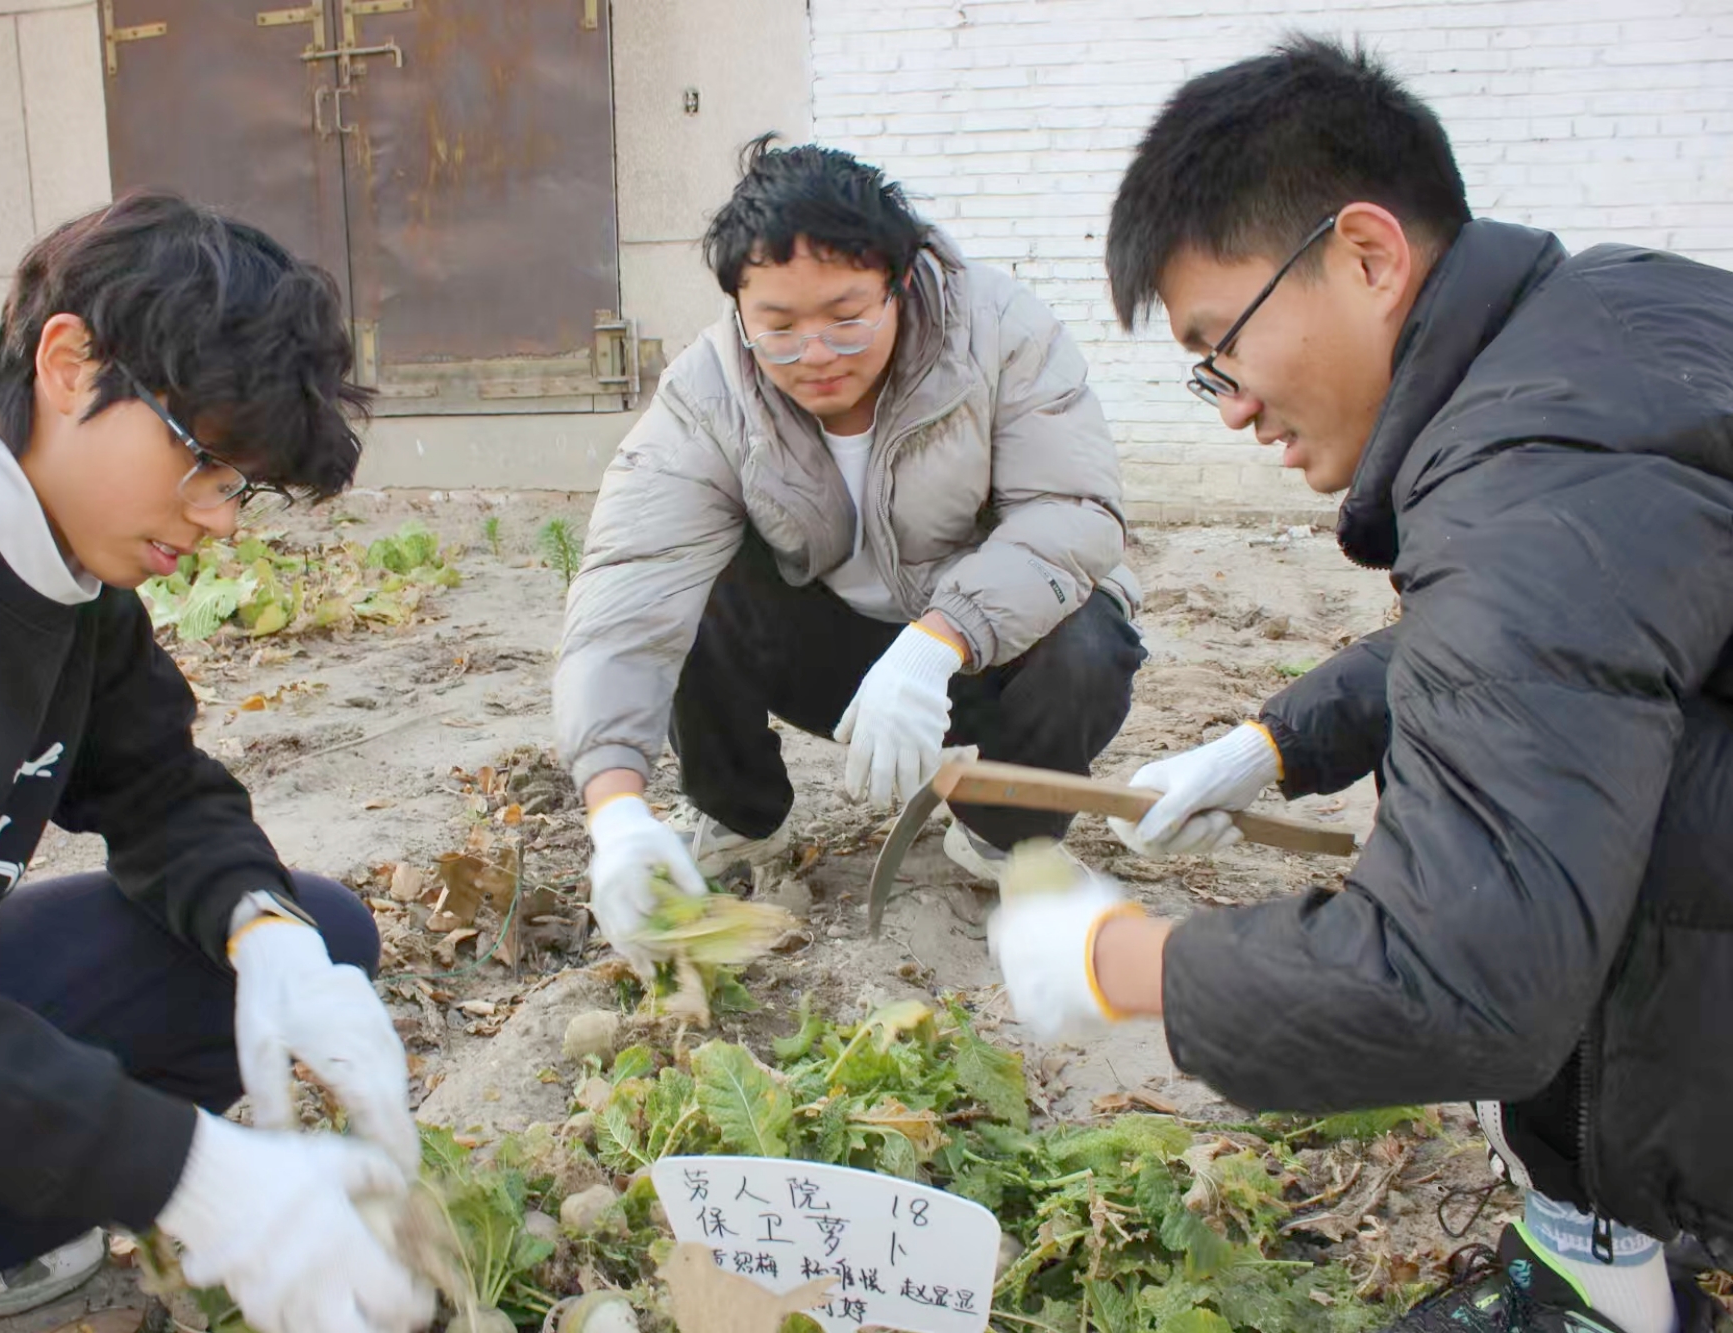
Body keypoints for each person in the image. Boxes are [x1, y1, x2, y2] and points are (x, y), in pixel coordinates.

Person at [987, 36, 1733, 1333]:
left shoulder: (1531, 465)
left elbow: (1467, 975)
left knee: (1567, 829)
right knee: (1566, 755)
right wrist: (1274, 745)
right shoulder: (1610, 329)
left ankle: (1602, 1291)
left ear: (1370, 256)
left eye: (1224, 345)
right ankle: (1606, 1252)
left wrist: (1127, 961)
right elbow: (1572, 638)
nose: (1227, 406)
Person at [0, 193, 433, 1333]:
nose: (219, 518)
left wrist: (268, 936)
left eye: (241, 487)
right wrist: (183, 1171)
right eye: (206, 460)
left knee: (309, 939)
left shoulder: (66, 560)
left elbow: (162, 788)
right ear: (69, 360)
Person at [554, 136, 1145, 969]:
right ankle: (744, 819)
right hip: (828, 658)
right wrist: (614, 812)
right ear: (738, 309)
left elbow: (1070, 513)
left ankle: (1000, 833)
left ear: (899, 283)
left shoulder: (1002, 332)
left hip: (977, 656)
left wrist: (942, 639)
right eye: (780, 328)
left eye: (846, 316)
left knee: (1091, 637)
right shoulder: (709, 391)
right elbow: (629, 588)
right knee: (694, 592)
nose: (817, 354)